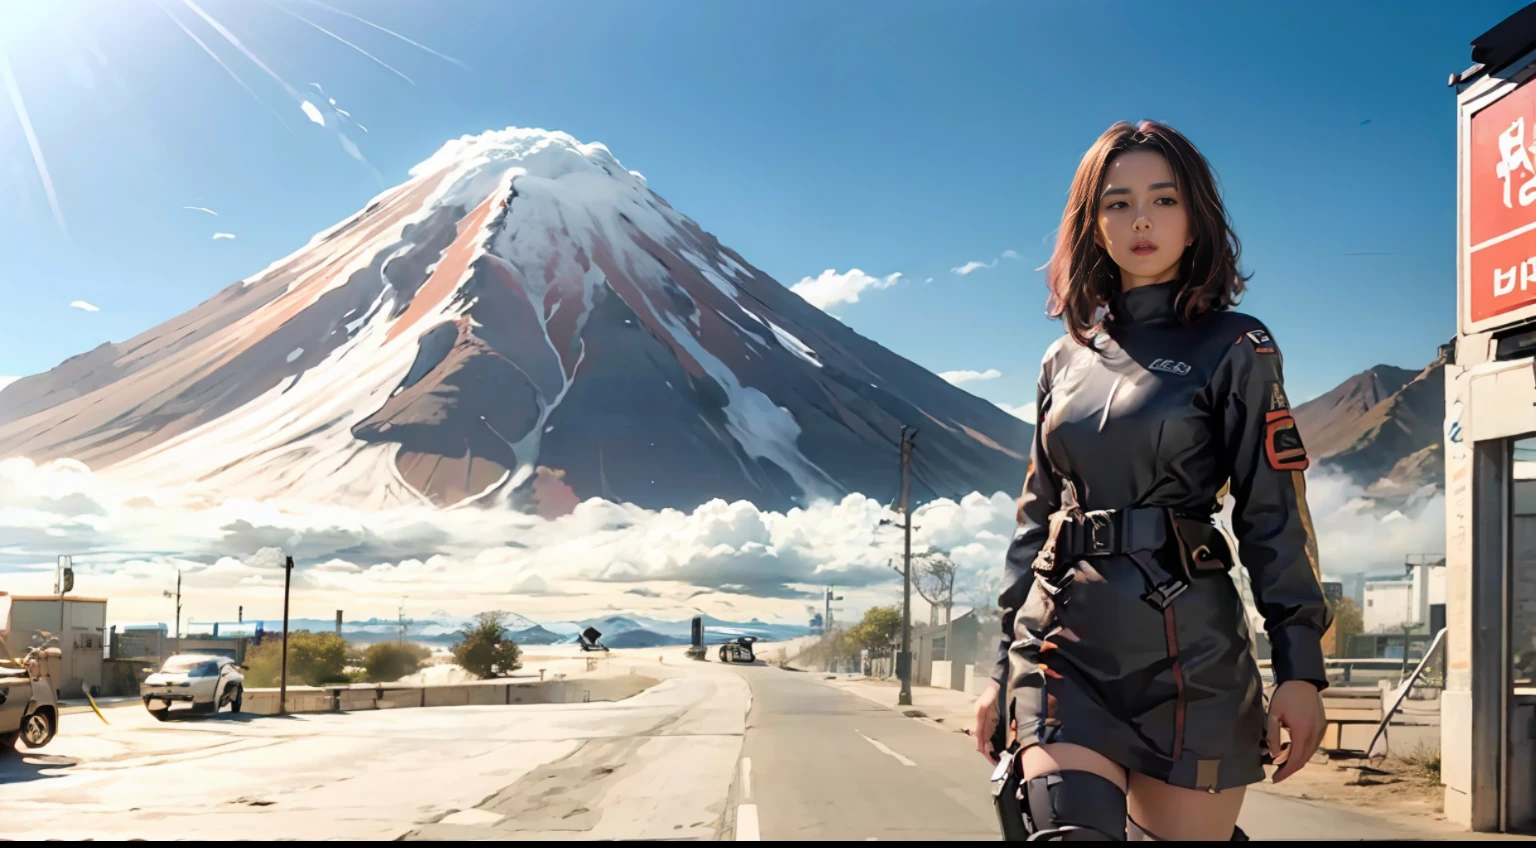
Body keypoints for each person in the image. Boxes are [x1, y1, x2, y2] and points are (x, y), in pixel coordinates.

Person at [972, 120, 1331, 841]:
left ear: (1196, 217)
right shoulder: (1061, 362)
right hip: (1064, 648)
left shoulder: (1238, 346)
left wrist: (1301, 669)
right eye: (1117, 202)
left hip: (1189, 662)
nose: (1141, 219)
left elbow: (1273, 514)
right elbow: (1034, 520)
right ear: (1091, 224)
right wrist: (996, 670)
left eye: (1164, 200)